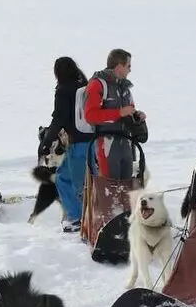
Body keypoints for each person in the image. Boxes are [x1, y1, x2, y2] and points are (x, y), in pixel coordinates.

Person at [38, 57, 92, 233]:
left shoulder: (63, 90)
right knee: (84, 179)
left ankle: (77, 217)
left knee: (70, 180)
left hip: (78, 142)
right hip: (95, 141)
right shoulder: (86, 87)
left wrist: (47, 141)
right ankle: (87, 215)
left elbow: (59, 118)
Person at [84, 49, 145, 180]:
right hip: (106, 144)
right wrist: (119, 113)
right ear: (119, 66)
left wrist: (137, 115)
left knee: (127, 191)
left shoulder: (125, 88)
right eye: (128, 66)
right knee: (109, 190)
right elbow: (90, 116)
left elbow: (130, 111)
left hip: (126, 144)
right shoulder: (97, 85)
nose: (130, 70)